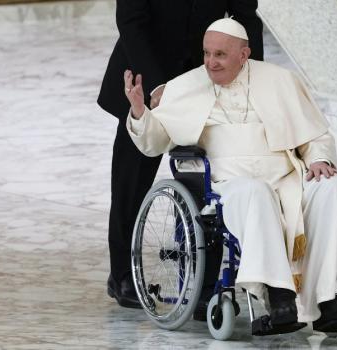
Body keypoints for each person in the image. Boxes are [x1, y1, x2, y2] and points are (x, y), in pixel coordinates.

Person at [123, 18, 337, 334]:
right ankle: (278, 296)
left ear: (244, 55)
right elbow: (154, 142)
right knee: (256, 193)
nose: (211, 63)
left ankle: (332, 299)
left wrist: (319, 160)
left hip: (287, 178)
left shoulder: (280, 81)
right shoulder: (184, 87)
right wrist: (139, 112)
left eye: (220, 55)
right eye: (206, 54)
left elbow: (314, 135)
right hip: (229, 186)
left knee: (332, 186)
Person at [97, 0, 264, 311]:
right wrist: (159, 85)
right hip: (145, 78)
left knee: (204, 182)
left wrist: (256, 81)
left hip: (203, 80)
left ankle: (202, 282)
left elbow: (245, 17)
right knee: (131, 185)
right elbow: (131, 21)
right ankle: (122, 275)